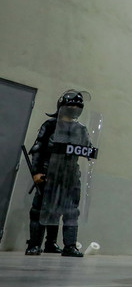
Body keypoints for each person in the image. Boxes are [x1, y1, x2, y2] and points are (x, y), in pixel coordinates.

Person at [25, 91, 91, 257]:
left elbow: (88, 149)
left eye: (77, 106)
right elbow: (38, 150)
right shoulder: (50, 126)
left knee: (70, 211)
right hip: (49, 174)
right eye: (71, 106)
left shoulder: (81, 129)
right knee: (41, 210)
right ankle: (34, 245)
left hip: (70, 176)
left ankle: (68, 246)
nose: (74, 108)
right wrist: (37, 171)